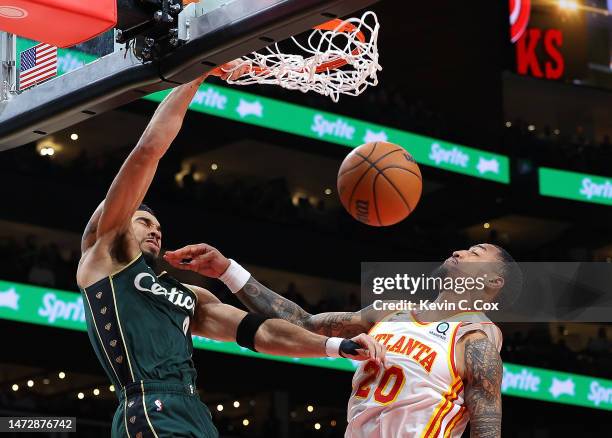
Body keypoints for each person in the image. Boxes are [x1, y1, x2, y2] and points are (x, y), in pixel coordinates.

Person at [76, 68, 385, 438]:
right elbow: (148, 151)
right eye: (144, 222)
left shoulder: (191, 297)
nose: (155, 229)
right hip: (147, 406)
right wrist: (197, 71)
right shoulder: (105, 255)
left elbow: (263, 333)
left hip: (195, 411)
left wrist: (335, 346)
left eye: (158, 226)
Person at [164, 242, 523, 438]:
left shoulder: (476, 338)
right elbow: (302, 322)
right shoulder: (390, 312)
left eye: (477, 253)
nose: (461, 252)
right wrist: (228, 271)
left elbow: (487, 429)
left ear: (494, 282)